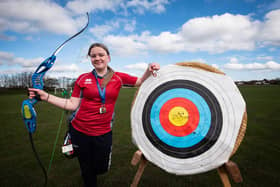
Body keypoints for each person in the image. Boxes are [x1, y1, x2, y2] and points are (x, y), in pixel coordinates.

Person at [28, 43, 160, 187]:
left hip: (103, 132)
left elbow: (139, 82)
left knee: (101, 167)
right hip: (79, 130)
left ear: (108, 58)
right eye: (93, 56)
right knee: (86, 168)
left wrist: (149, 70)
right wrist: (45, 96)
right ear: (90, 59)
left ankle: (86, 161)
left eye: (101, 55)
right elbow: (72, 105)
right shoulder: (82, 79)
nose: (97, 58)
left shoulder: (119, 77)